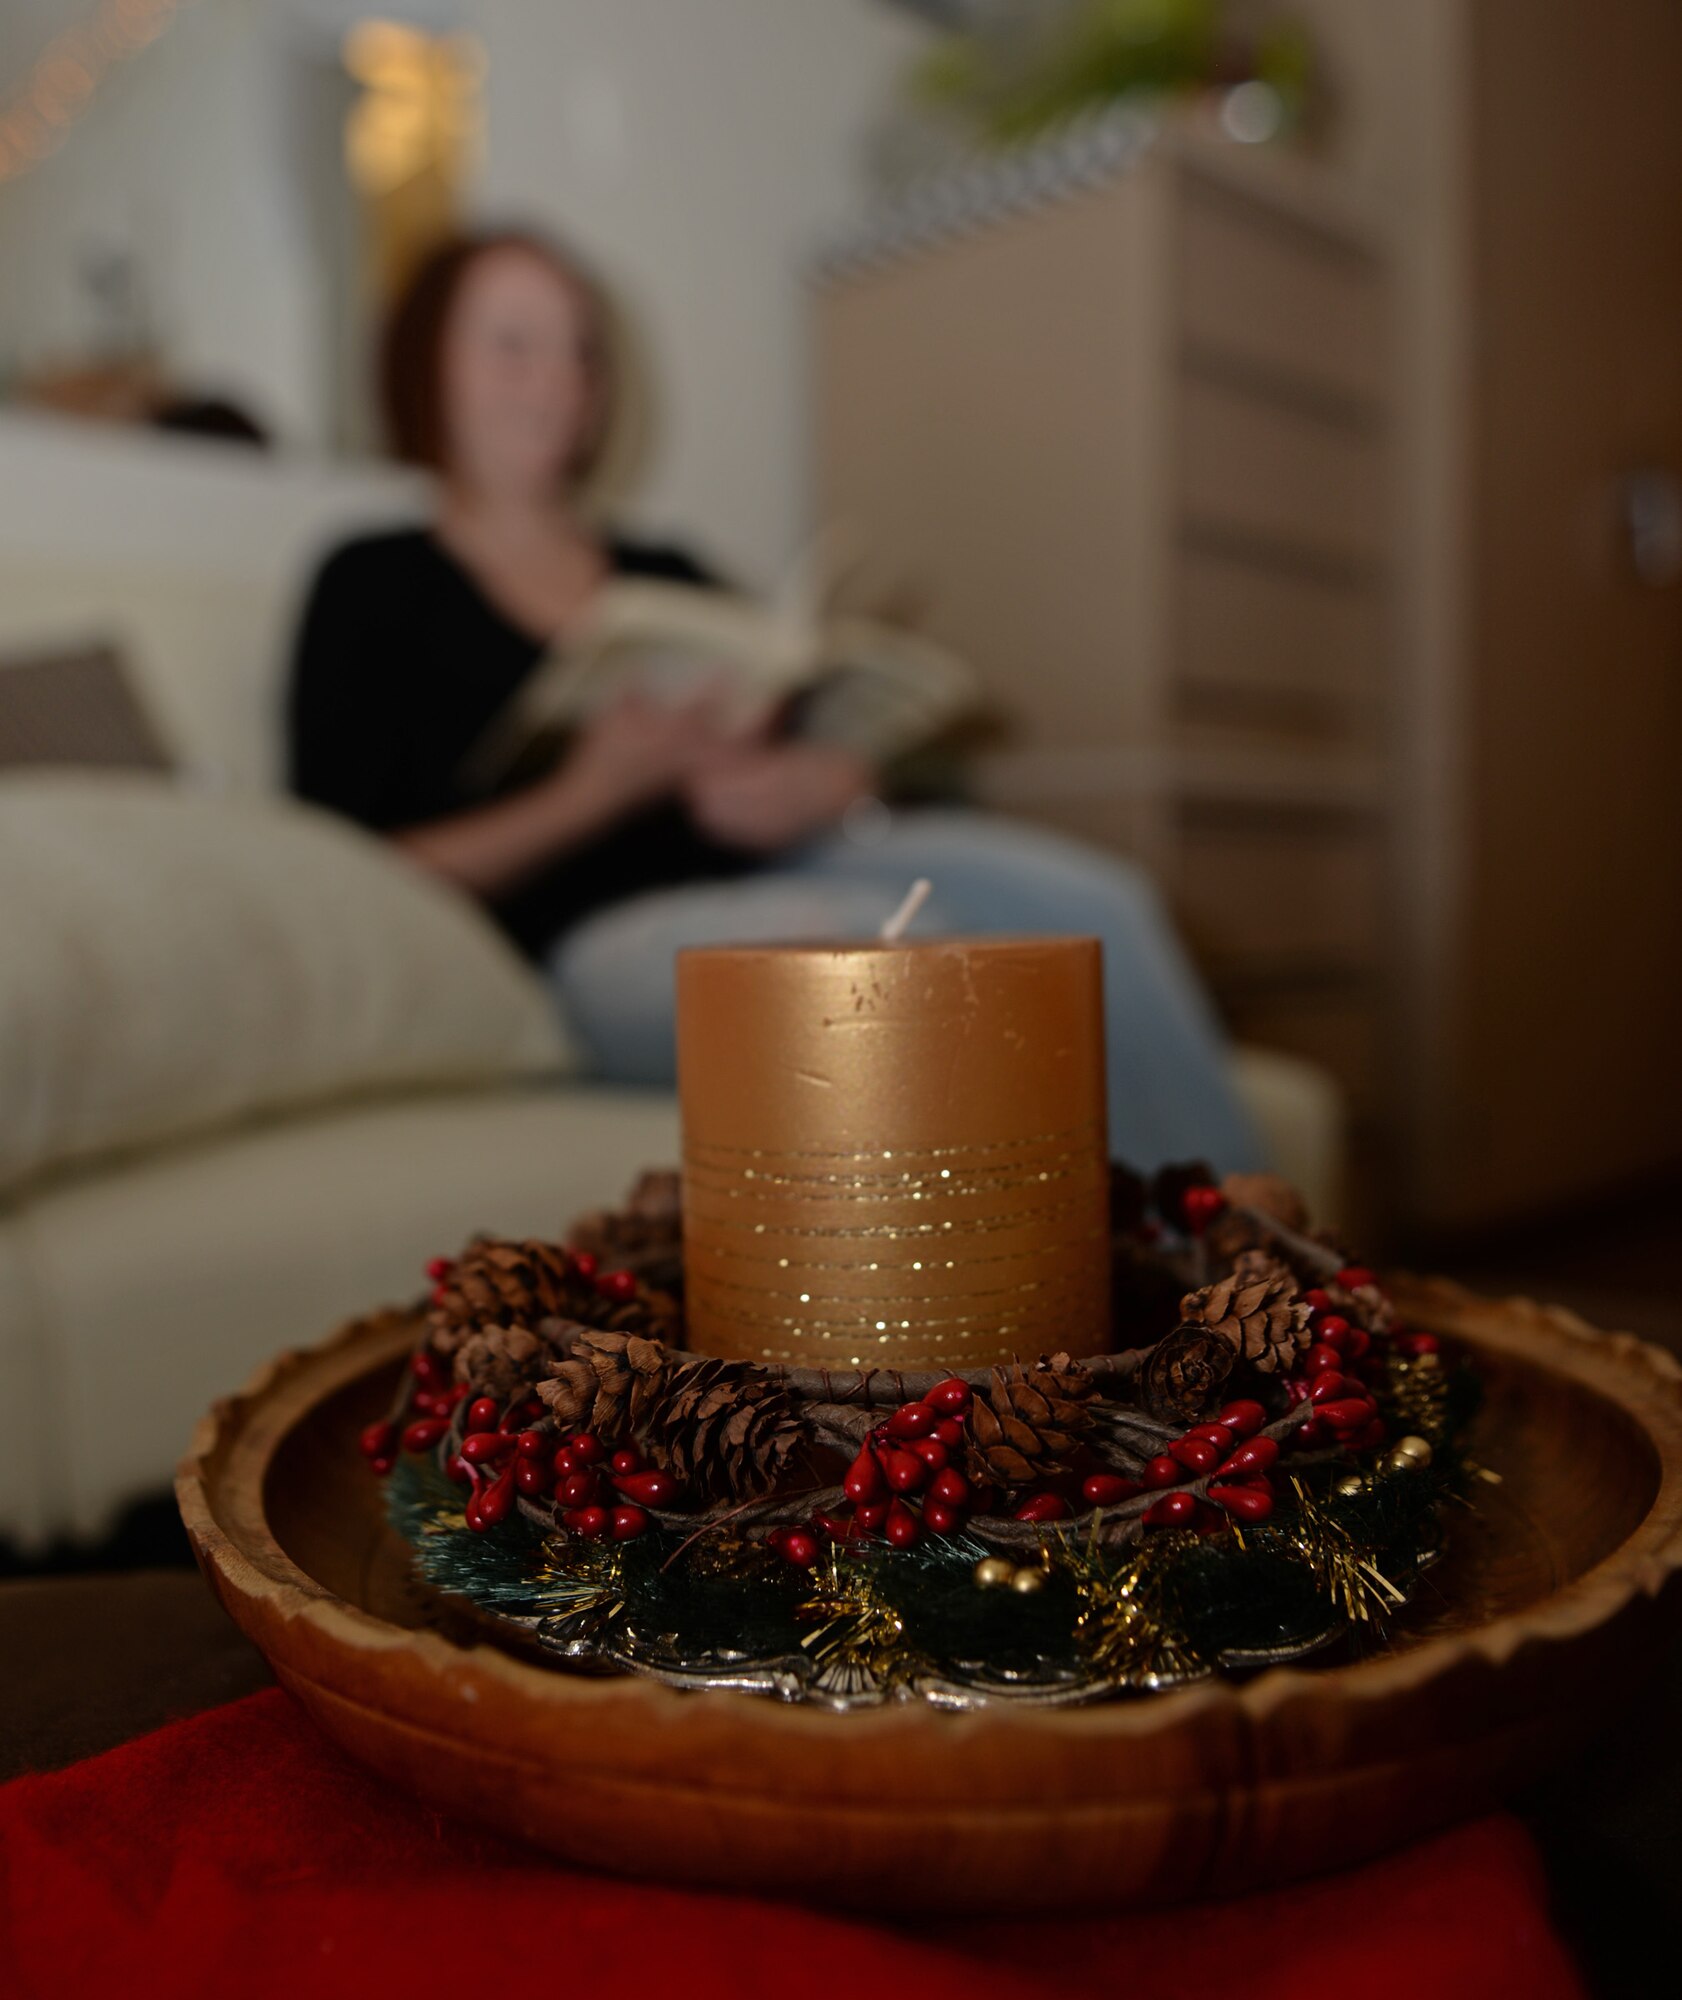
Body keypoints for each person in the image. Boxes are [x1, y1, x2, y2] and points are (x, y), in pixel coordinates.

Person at [288, 229, 1261, 1172]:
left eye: (580, 348)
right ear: (425, 366)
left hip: (776, 858)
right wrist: (594, 790)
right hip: (595, 938)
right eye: (511, 345)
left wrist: (830, 779)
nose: (557, 379)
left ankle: (1245, 1272)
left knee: (1093, 905)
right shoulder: (373, 583)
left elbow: (814, 727)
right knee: (897, 958)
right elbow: (359, 863)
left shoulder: (666, 569)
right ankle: (1142, 1282)